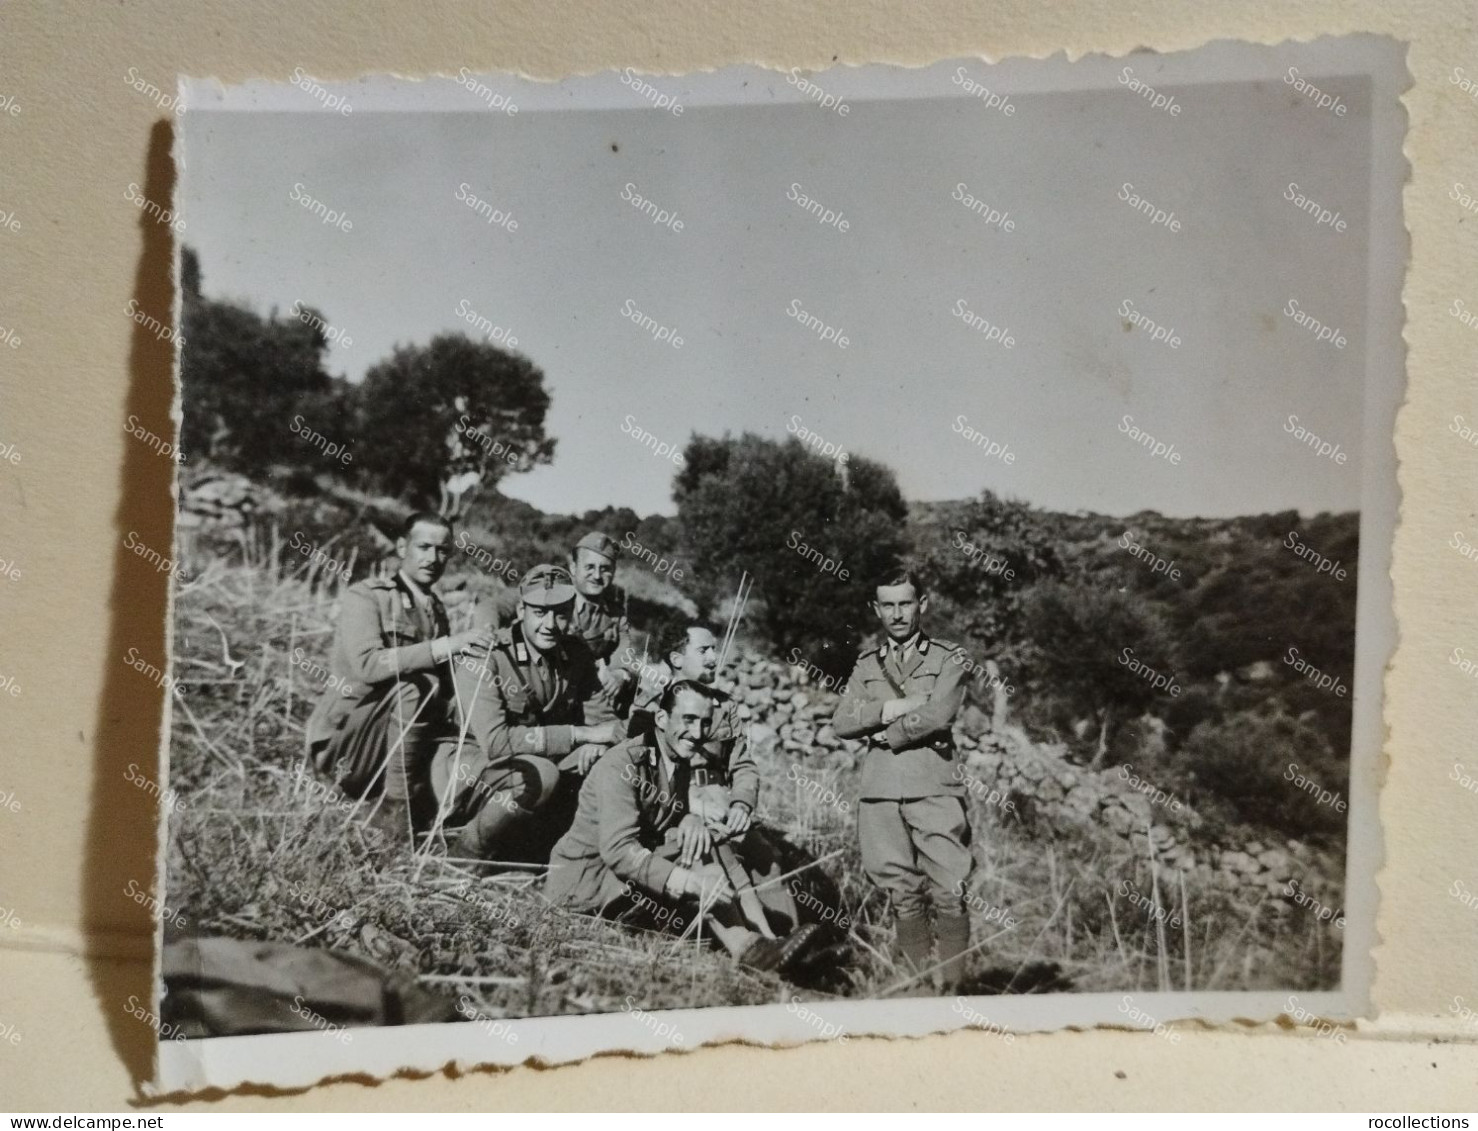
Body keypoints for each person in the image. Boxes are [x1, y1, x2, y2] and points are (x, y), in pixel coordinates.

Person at [545, 679, 819, 973]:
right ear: (661, 719)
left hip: (620, 881)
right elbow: (619, 849)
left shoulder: (675, 757)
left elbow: (662, 819)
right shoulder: (621, 764)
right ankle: (746, 948)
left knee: (710, 841)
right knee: (697, 859)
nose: (698, 733)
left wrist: (689, 819)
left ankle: (770, 942)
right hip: (585, 889)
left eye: (704, 723)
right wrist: (689, 882)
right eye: (688, 720)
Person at [305, 512, 493, 846]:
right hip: (347, 741)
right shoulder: (366, 596)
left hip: (392, 741)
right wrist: (446, 645)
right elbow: (368, 665)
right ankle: (395, 807)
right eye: (424, 547)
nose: (433, 559)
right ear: (402, 547)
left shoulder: (434, 608)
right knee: (418, 687)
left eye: (442, 551)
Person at [831, 567, 976, 992]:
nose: (897, 614)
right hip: (879, 791)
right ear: (877, 609)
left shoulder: (950, 657)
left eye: (905, 603)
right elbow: (841, 722)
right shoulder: (865, 665)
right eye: (888, 605)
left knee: (951, 887)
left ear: (922, 605)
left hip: (933, 784)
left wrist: (884, 732)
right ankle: (920, 987)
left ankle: (954, 989)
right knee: (901, 893)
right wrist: (891, 709)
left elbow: (939, 713)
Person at [432, 563, 625, 862]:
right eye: (539, 612)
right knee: (541, 775)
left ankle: (542, 855)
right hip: (470, 765)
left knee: (605, 762)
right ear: (521, 610)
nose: (550, 624)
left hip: (527, 760)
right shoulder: (490, 654)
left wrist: (597, 743)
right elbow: (496, 744)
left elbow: (605, 721)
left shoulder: (576, 654)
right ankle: (466, 852)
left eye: (560, 613)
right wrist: (581, 735)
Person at [565, 531, 638, 715]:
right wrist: (486, 629)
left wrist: (619, 674)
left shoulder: (615, 613)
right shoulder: (556, 601)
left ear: (613, 572)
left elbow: (625, 649)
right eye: (589, 566)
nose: (597, 575)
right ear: (573, 568)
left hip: (592, 694)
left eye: (605, 568)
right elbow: (497, 605)